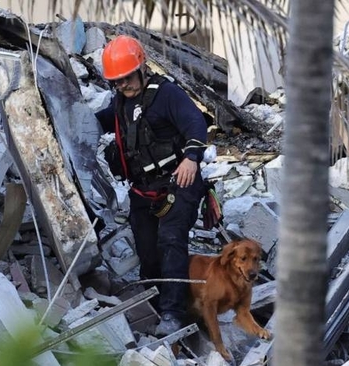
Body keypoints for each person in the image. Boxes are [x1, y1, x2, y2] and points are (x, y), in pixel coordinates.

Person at [95, 35, 208, 336]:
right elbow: (103, 121)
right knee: (147, 250)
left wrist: (192, 157)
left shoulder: (168, 94)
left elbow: (196, 124)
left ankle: (173, 313)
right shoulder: (120, 102)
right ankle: (154, 304)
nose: (123, 86)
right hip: (143, 188)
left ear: (141, 67)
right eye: (116, 82)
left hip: (178, 180)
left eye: (126, 79)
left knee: (171, 240)